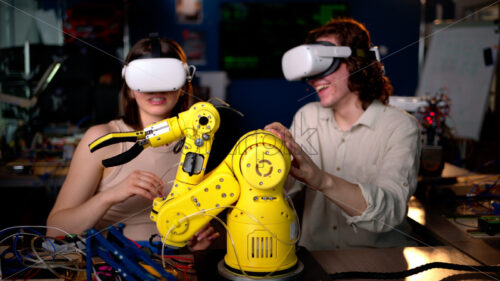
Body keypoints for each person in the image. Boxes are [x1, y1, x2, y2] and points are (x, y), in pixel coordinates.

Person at [46, 36, 219, 251]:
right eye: (145, 79)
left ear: (184, 83)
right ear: (128, 86)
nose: (156, 89)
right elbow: (55, 230)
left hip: (176, 265)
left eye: (166, 77)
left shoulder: (201, 141)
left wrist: (195, 241)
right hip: (114, 264)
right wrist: (111, 195)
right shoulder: (103, 139)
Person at [265, 18, 421, 250]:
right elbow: (286, 189)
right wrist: (270, 163)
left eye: (324, 64)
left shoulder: (400, 127)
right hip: (318, 259)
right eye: (312, 70)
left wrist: (322, 179)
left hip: (379, 262)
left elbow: (390, 212)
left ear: (356, 62)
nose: (315, 79)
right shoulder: (308, 116)